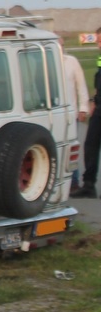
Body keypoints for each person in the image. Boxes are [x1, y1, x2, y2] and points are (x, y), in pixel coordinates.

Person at [73, 29, 101, 199]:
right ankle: (88, 184)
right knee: (90, 145)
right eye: (98, 41)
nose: (98, 45)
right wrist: (93, 101)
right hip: (98, 108)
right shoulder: (100, 58)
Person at [64, 42, 91, 193]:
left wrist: (83, 108)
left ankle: (73, 181)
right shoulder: (46, 61)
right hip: (53, 113)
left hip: (71, 112)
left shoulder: (71, 61)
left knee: (72, 147)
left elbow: (81, 85)